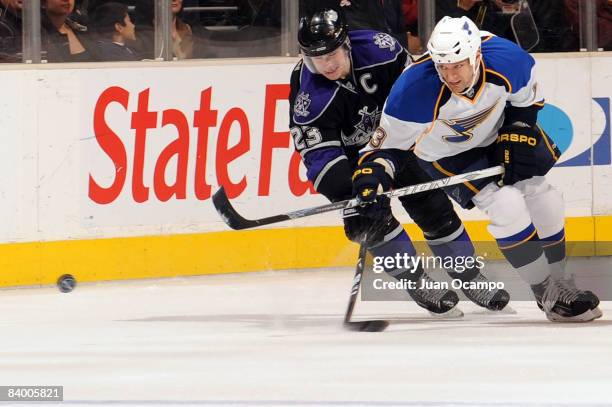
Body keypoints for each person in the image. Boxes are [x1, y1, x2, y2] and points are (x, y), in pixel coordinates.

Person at [355, 15, 602, 322]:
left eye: (457, 65)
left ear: (476, 55)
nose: (450, 75)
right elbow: (385, 150)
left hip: (497, 135)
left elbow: (525, 102)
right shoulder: (413, 91)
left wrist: (518, 128)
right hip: (449, 154)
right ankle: (546, 293)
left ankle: (560, 281)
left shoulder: (509, 60)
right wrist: (372, 180)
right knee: (506, 204)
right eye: (442, 66)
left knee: (542, 194)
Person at [290, 9, 510, 315]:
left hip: (399, 140)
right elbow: (319, 155)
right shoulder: (309, 96)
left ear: (347, 44)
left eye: (331, 54)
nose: (326, 65)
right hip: (353, 160)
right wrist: (351, 192)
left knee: (431, 204)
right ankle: (416, 280)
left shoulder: (382, 50)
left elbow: (422, 90)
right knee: (368, 218)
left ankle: (469, 276)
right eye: (316, 58)